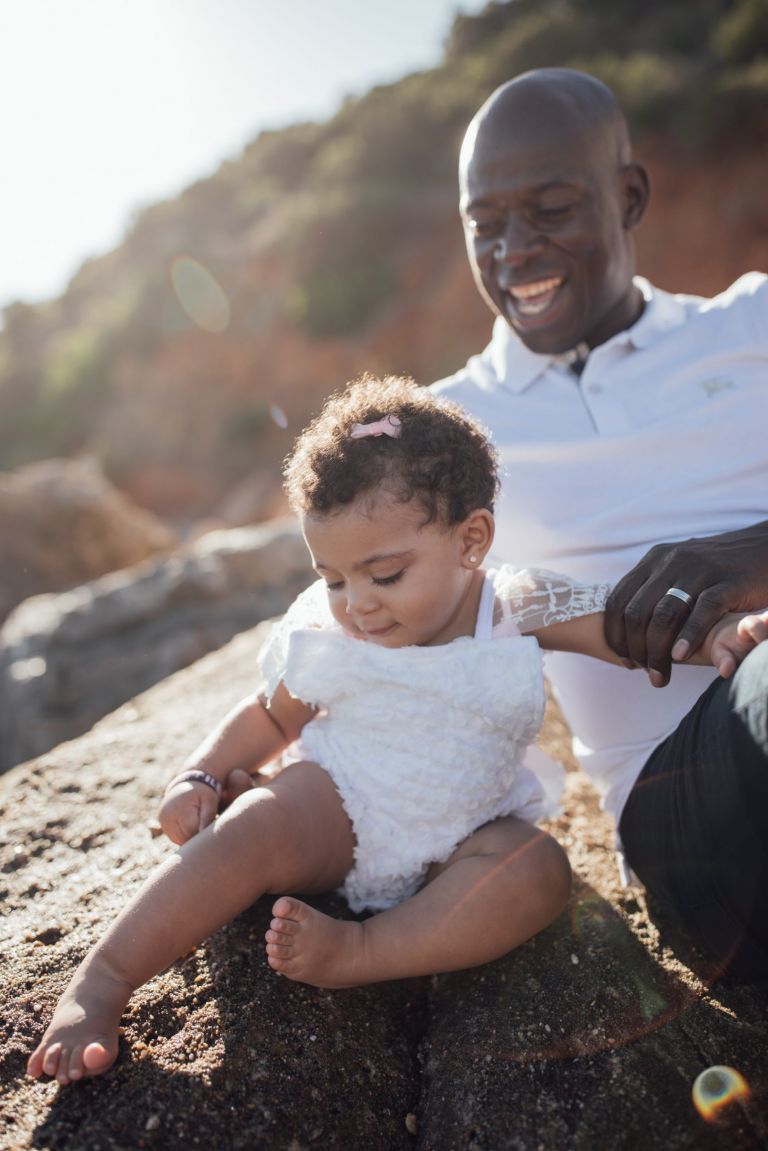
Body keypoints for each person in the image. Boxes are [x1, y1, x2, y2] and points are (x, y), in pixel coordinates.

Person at [26, 376, 766, 1086]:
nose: (357, 604)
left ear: (471, 539)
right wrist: (201, 771)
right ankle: (104, 980)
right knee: (252, 827)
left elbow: (621, 626)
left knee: (539, 872)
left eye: (384, 575)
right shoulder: (330, 630)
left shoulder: (513, 606)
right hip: (338, 806)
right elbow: (271, 714)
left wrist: (712, 637)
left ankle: (363, 951)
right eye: (333, 578)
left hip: (465, 834)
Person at [434, 66, 768, 981]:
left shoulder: (752, 323)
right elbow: (371, 613)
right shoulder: (442, 431)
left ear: (629, 197)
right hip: (691, 828)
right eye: (484, 224)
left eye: (550, 209)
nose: (514, 251)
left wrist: (752, 554)